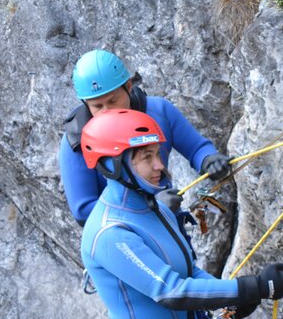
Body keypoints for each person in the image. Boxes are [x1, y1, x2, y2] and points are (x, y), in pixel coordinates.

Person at [77, 109, 283, 319]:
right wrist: (253, 288)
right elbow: (171, 290)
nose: (160, 166)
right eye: (146, 157)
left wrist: (232, 298)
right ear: (112, 165)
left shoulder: (154, 208)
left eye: (157, 154)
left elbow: (189, 272)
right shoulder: (110, 232)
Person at [59, 49, 232, 226]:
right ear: (85, 104)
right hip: (125, 236)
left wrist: (209, 160)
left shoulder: (159, 112)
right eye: (97, 106)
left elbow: (196, 149)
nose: (107, 112)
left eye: (113, 101)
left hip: (169, 221)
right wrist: (149, 209)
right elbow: (84, 211)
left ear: (128, 87)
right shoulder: (77, 142)